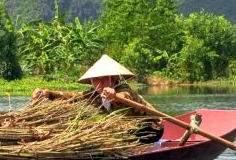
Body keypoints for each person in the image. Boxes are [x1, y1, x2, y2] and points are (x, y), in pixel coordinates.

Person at [32, 54, 163, 141]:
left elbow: (125, 97)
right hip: (125, 131)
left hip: (150, 129)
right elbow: (70, 97)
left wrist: (115, 97)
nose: (99, 83)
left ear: (113, 79)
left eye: (104, 79)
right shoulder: (93, 94)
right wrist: (48, 93)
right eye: (95, 80)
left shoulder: (124, 90)